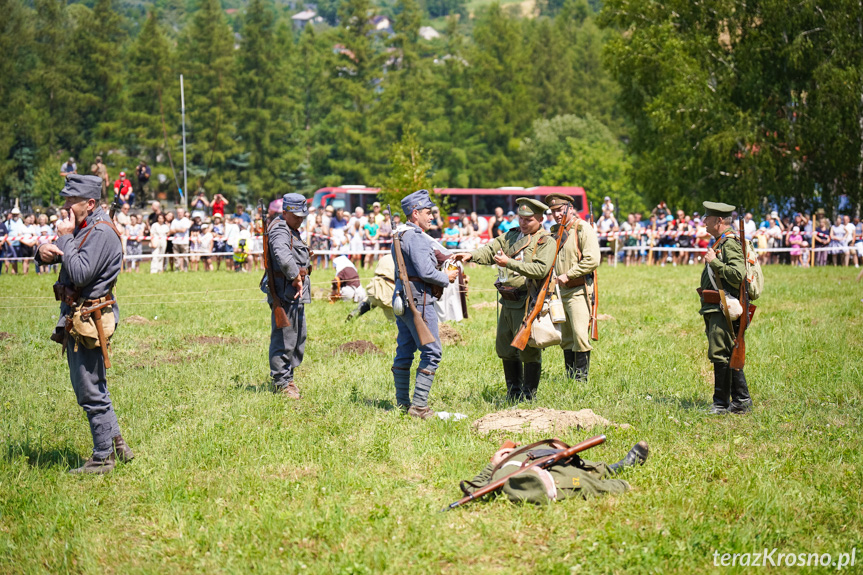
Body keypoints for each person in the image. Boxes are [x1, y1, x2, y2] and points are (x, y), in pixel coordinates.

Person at [34, 174, 133, 473]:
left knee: (88, 389)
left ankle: (103, 457)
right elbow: (70, 257)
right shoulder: (88, 227)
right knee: (95, 386)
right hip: (81, 314)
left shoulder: (101, 232)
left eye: (69, 201)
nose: (64, 207)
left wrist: (64, 237)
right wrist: (42, 251)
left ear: (89, 204)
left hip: (89, 318)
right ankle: (117, 445)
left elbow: (78, 273)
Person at [454, 198, 556, 402]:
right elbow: (490, 250)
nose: (523, 222)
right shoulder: (511, 236)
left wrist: (509, 263)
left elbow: (541, 270)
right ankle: (513, 393)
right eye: (521, 218)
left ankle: (528, 397)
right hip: (507, 300)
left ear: (539, 218)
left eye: (529, 219)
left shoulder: (546, 241)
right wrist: (470, 256)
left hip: (528, 301)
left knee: (528, 350)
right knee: (505, 349)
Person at [391, 189, 459, 419]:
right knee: (432, 352)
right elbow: (426, 271)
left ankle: (402, 403)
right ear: (414, 213)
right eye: (428, 212)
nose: (431, 217)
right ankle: (419, 406)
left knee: (405, 351)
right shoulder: (416, 237)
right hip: (419, 301)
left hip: (405, 298)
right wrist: (446, 278)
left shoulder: (400, 235)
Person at [460, 439, 649, 505]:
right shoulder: (568, 482)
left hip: (523, 462)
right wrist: (623, 484)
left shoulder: (498, 481)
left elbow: (477, 485)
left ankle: (610, 468)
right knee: (581, 471)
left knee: (562, 458)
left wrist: (494, 463)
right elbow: (607, 487)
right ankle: (614, 468)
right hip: (544, 474)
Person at [697, 201, 751, 415]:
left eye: (707, 218)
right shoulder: (721, 241)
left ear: (719, 220)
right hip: (716, 307)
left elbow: (739, 275)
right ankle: (741, 401)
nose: (704, 221)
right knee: (728, 352)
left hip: (723, 307)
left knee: (720, 354)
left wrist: (714, 262)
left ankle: (721, 404)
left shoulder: (728, 243)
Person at [546, 193, 600, 381]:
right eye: (553, 211)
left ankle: (580, 380)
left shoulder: (582, 228)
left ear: (569, 208)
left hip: (578, 290)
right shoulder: (556, 231)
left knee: (579, 335)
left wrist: (568, 275)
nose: (556, 214)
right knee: (566, 337)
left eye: (560, 210)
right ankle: (570, 378)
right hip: (559, 292)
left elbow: (593, 260)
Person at [263, 193, 312, 399]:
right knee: (285, 337)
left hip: (294, 291)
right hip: (285, 290)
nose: (300, 219)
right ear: (285, 212)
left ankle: (288, 376)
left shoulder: (290, 229)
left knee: (298, 336)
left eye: (302, 215)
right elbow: (282, 254)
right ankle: (281, 382)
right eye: (297, 215)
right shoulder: (280, 230)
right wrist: (295, 276)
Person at [347, 254, 397, 322]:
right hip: (388, 295)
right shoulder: (401, 260)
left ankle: (356, 312)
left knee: (371, 299)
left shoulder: (385, 257)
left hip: (374, 289)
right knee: (394, 322)